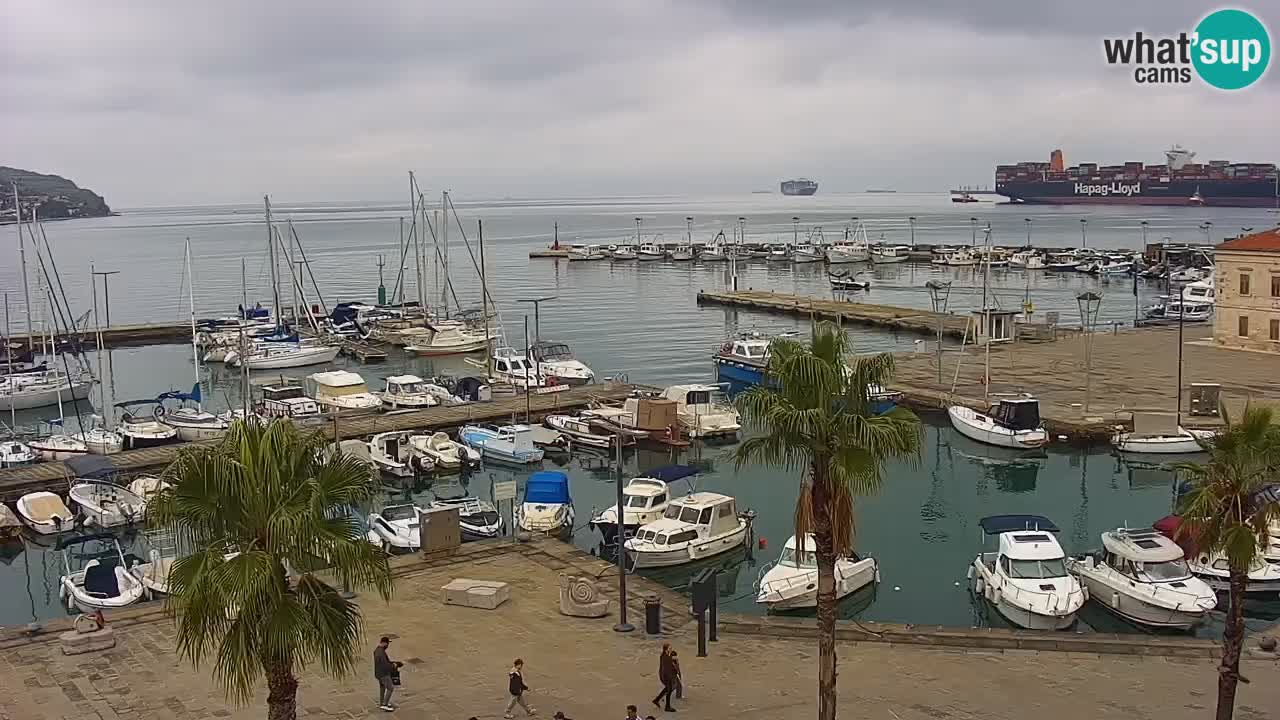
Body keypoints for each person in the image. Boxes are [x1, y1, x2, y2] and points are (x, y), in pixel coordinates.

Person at [373, 636, 403, 712]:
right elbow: (385, 665)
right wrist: (394, 665)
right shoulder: (381, 653)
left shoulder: (377, 650)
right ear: (384, 643)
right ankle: (385, 704)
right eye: (387, 644)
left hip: (378, 673)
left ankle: (382, 703)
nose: (388, 646)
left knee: (382, 688)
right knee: (390, 688)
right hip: (383, 674)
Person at [652, 643, 677, 712]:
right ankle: (667, 706)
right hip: (666, 677)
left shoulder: (665, 656)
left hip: (665, 675)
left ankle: (657, 700)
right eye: (669, 648)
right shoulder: (666, 658)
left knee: (667, 689)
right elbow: (667, 668)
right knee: (669, 690)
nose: (671, 649)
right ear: (666, 649)